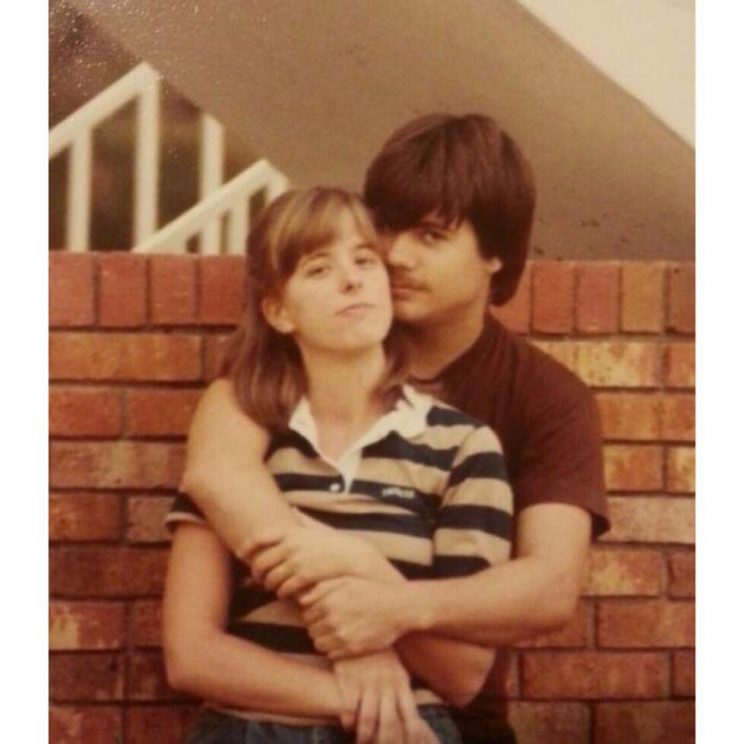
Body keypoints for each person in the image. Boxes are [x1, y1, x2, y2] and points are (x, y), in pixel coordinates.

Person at [181, 113, 609, 744]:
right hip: (278, 706)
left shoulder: (546, 398)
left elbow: (548, 588)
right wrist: (355, 635)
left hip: (451, 718)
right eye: (386, 227)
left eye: (432, 235)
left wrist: (389, 608)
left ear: (495, 254)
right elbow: (218, 470)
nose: (395, 255)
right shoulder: (314, 350)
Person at [163, 187, 515, 744]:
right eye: (319, 268)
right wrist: (359, 682)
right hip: (267, 732)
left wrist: (366, 572)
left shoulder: (463, 446)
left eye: (364, 260)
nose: (351, 280)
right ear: (278, 311)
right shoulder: (247, 444)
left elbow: (463, 673)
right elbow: (190, 655)